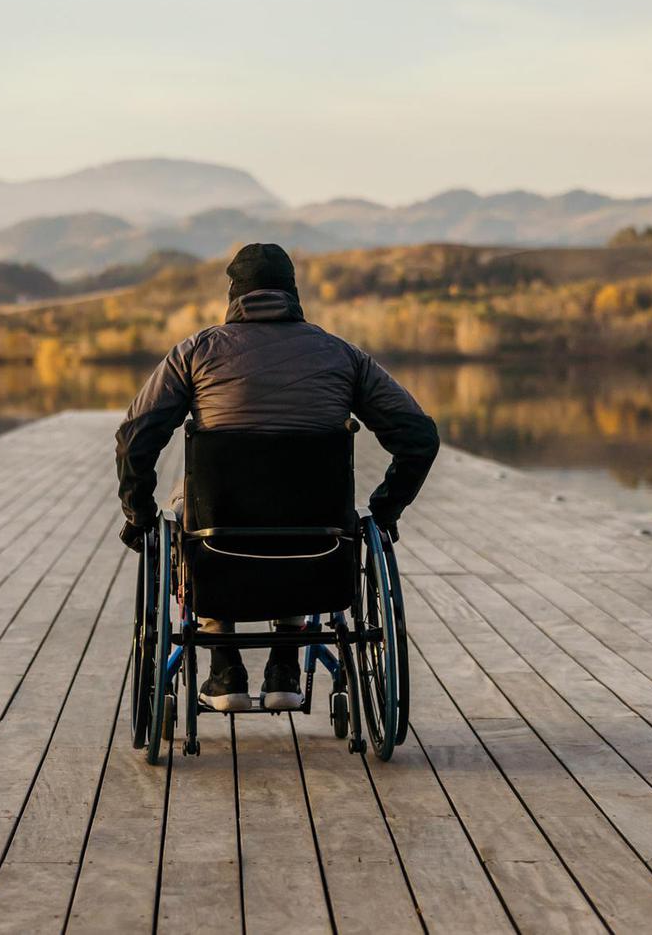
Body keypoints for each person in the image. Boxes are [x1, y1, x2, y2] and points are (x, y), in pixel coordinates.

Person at [114, 242, 439, 712]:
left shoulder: (196, 352)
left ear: (234, 294)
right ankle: (285, 666)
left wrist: (139, 513)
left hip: (217, 544)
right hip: (320, 549)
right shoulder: (342, 356)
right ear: (293, 293)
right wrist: (386, 509)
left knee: (187, 506)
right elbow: (418, 436)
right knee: (300, 509)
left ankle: (224, 671)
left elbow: (134, 438)